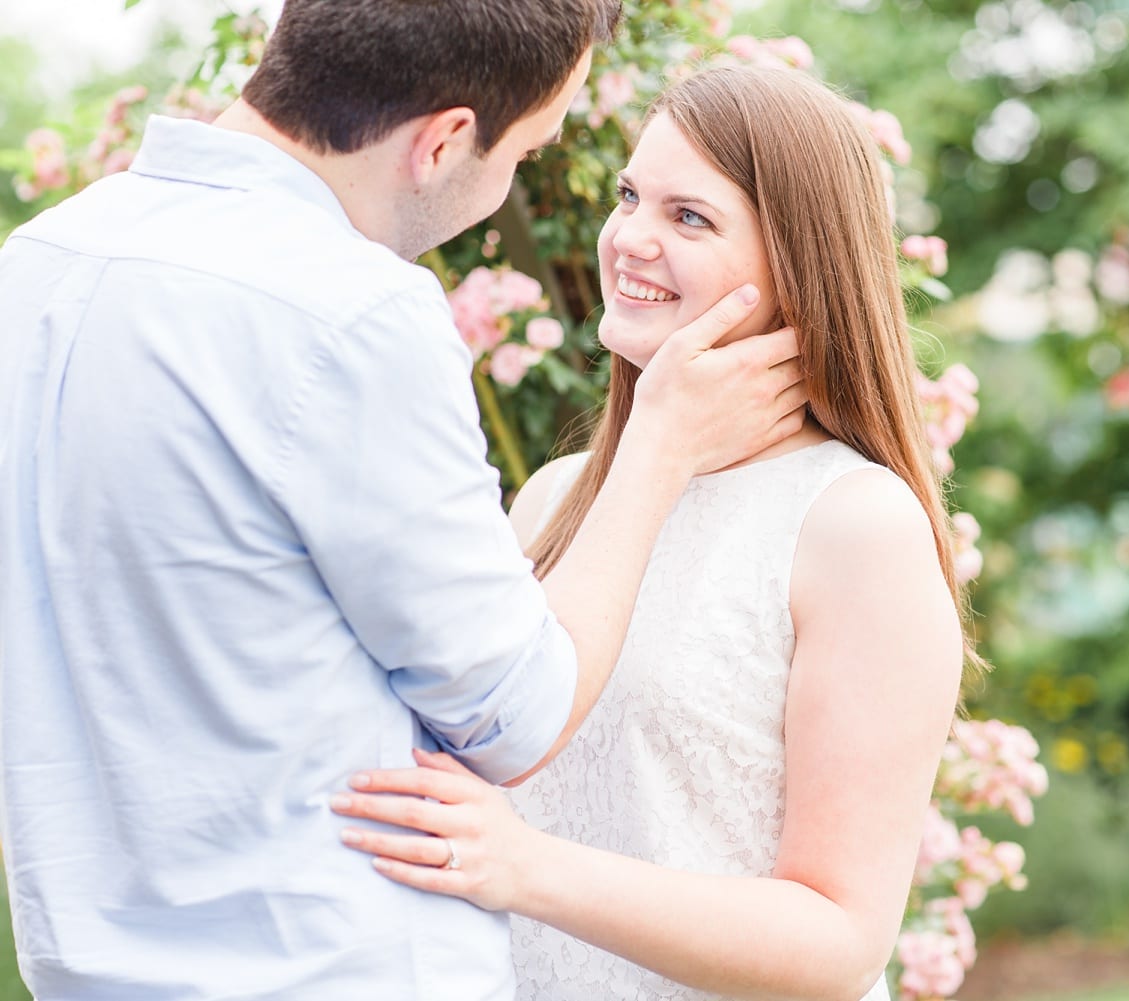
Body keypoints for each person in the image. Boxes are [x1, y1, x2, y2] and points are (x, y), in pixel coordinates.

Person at [0, 3, 807, 998]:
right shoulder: (350, 309)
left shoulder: (35, 265)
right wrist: (661, 445)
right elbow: (512, 715)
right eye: (526, 154)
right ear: (445, 141)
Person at [331, 64, 970, 1001]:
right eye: (630, 196)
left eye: (689, 217)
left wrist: (524, 867)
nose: (628, 237)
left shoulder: (854, 525)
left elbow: (839, 937)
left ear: (796, 263)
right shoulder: (553, 500)